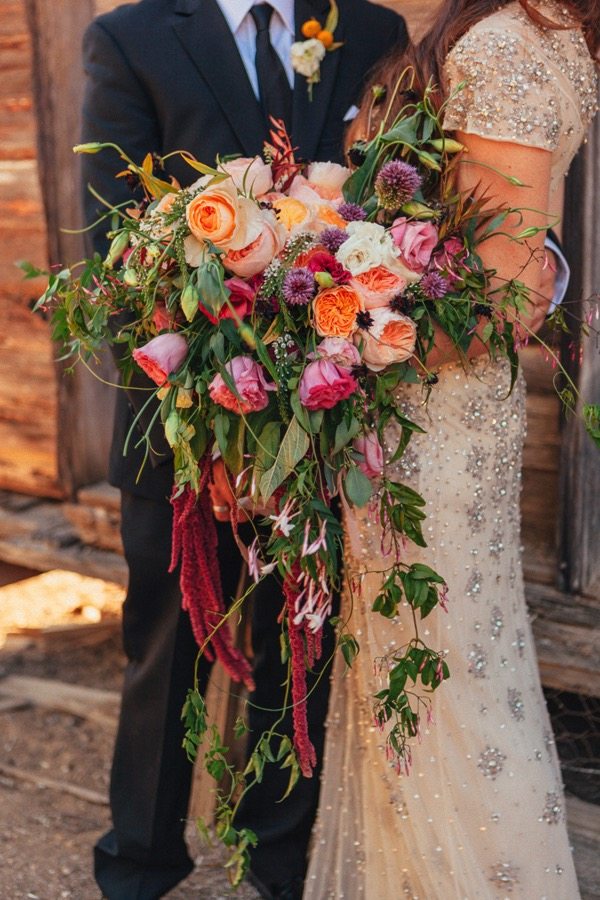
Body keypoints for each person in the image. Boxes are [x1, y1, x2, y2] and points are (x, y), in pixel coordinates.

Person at [79, 1, 408, 898]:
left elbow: (382, 205)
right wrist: (206, 438)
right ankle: (138, 864)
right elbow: (116, 256)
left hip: (321, 421)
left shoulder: (367, 30)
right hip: (182, 434)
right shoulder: (132, 39)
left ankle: (279, 861)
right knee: (165, 647)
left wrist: (319, 402)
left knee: (297, 649)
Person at [305, 1, 598, 897]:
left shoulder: (511, 43)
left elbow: (509, 292)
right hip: (437, 413)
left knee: (444, 687)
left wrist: (348, 338)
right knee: (442, 678)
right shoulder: (551, 35)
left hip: (433, 418)